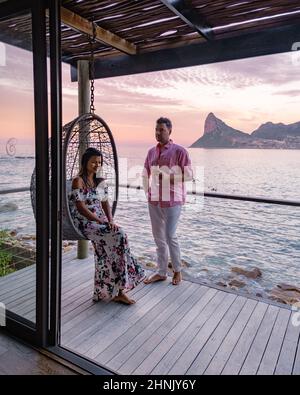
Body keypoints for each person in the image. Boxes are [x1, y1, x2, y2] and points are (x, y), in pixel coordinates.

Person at [69, 147, 145, 304]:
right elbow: (80, 207)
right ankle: (128, 277)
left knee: (106, 254)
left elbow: (105, 204)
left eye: (99, 162)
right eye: (93, 162)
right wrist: (101, 221)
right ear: (85, 162)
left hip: (100, 221)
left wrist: (109, 221)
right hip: (85, 222)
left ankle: (111, 292)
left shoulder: (100, 182)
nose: (97, 165)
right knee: (120, 235)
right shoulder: (79, 181)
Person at [143, 117, 193, 285]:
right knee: (158, 238)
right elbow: (145, 173)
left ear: (170, 131)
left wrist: (168, 177)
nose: (158, 133)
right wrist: (147, 191)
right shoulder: (151, 152)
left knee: (170, 236)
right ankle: (161, 272)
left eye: (162, 130)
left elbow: (189, 175)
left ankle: (178, 271)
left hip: (173, 200)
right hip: (154, 200)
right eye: (156, 130)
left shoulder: (180, 151)